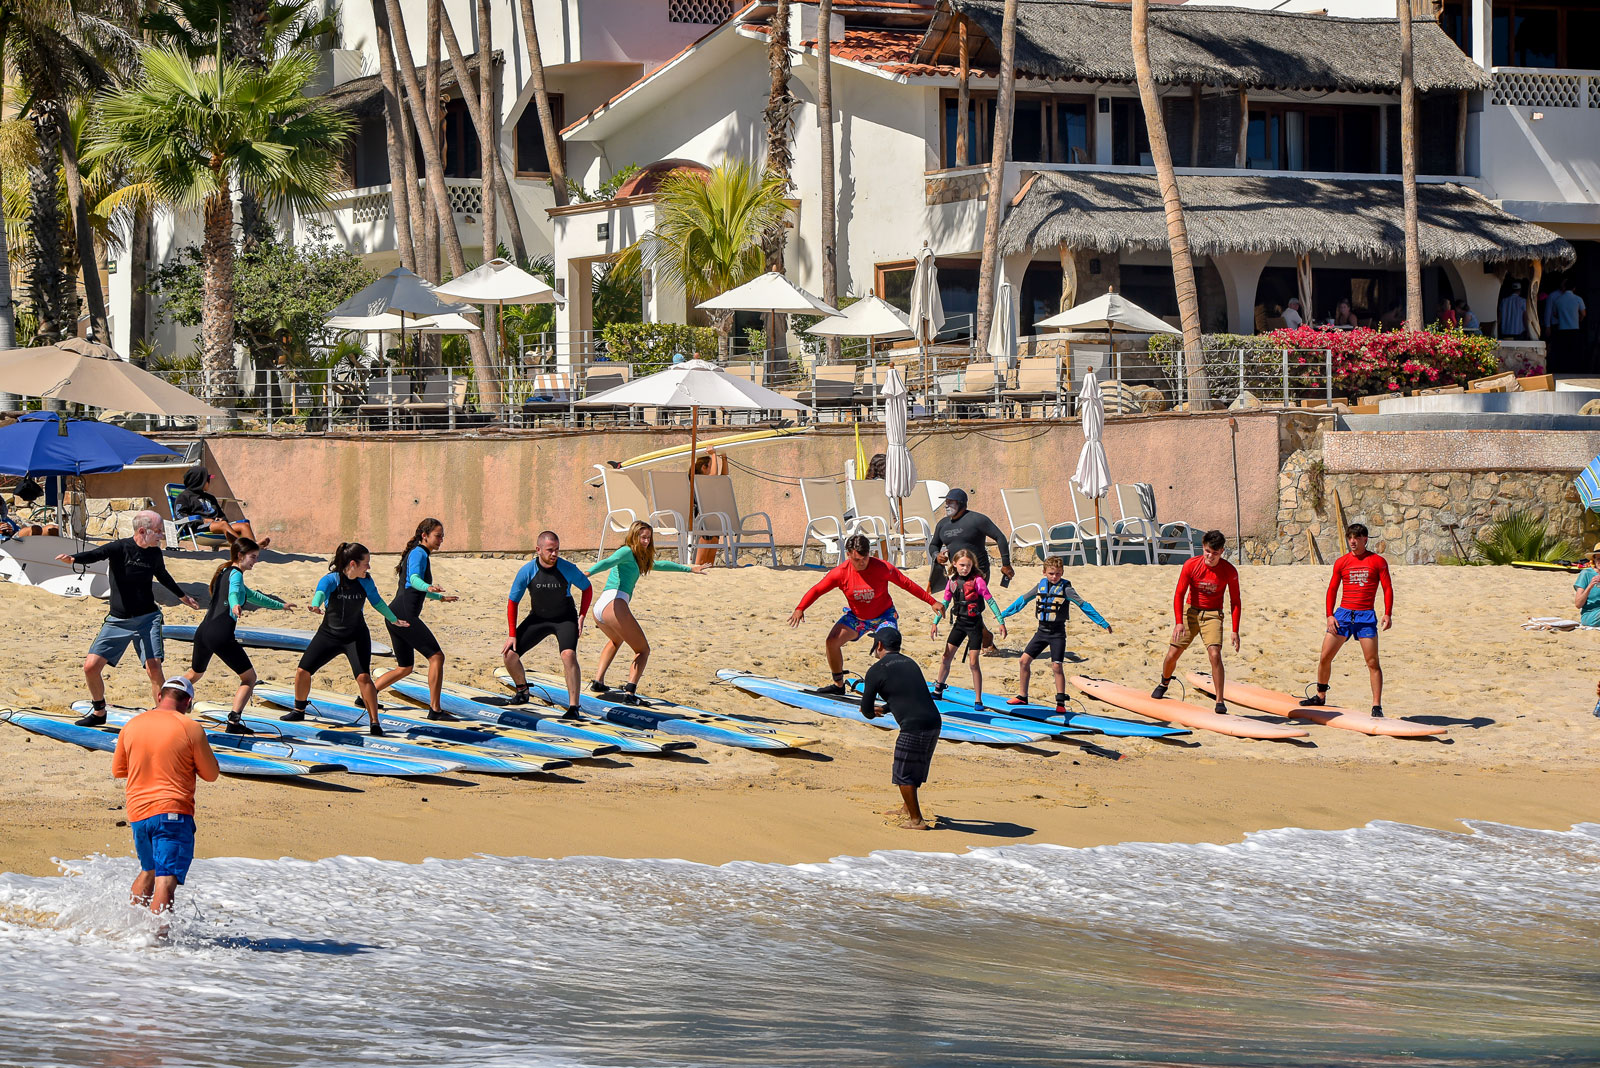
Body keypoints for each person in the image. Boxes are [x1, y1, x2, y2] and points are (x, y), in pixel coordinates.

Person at [59, 511, 200, 725]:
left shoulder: (154, 554)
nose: (161, 535)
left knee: (153, 667)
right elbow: (97, 553)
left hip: (148, 619)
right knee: (91, 667)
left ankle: (164, 718)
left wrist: (183, 596)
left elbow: (163, 575)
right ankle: (99, 712)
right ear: (142, 531)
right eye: (159, 531)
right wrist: (74, 559)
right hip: (118, 620)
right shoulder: (120, 548)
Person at [111, 677, 219, 930]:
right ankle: (156, 945)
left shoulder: (132, 725)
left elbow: (119, 770)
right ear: (188, 701)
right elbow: (211, 774)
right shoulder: (189, 726)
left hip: (138, 813)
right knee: (165, 882)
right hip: (172, 812)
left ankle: (132, 929)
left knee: (148, 871)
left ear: (159, 696)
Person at [789, 532, 942, 695]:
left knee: (885, 652)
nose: (862, 563)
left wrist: (931, 601)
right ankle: (838, 685)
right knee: (831, 642)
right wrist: (801, 608)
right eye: (857, 560)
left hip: (885, 616)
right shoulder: (840, 573)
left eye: (865, 558)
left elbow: (906, 584)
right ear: (848, 555)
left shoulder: (882, 568)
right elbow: (818, 589)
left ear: (870, 553)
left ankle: (895, 691)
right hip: (857, 618)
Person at [281, 542, 408, 735]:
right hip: (329, 634)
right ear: (352, 564)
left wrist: (394, 619)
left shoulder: (366, 581)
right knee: (302, 671)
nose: (369, 567)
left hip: (356, 636)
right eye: (366, 563)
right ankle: (298, 710)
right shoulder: (331, 579)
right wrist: (315, 605)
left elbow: (377, 602)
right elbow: (320, 593)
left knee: (364, 677)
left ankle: (375, 723)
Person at [586, 521, 709, 703]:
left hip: (601, 607)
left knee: (616, 640)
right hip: (614, 603)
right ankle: (630, 694)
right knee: (643, 650)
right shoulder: (627, 551)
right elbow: (608, 562)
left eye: (648, 538)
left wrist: (690, 568)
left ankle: (598, 681)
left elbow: (661, 565)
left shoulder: (638, 557)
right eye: (642, 537)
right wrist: (587, 573)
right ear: (634, 536)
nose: (646, 541)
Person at [185, 537, 295, 733]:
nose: (256, 561)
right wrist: (235, 604)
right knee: (249, 679)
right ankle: (233, 723)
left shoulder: (224, 571)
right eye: (253, 557)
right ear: (240, 556)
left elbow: (253, 596)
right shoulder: (235, 574)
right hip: (220, 635)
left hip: (203, 632)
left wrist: (281, 605)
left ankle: (166, 702)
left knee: (194, 674)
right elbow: (234, 592)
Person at [1301, 523, 1393, 717]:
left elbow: (1387, 588)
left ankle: (1377, 706)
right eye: (1350, 537)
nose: (1352, 541)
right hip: (1342, 615)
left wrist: (1387, 613)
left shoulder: (1377, 561)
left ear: (1365, 539)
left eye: (1357, 538)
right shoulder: (1342, 562)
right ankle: (1320, 695)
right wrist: (1329, 615)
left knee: (1372, 662)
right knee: (1325, 657)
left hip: (1365, 616)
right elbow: (1332, 589)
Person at [372, 518, 460, 719]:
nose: (441, 540)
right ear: (424, 536)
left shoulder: (418, 554)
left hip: (395, 614)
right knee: (436, 656)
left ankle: (368, 694)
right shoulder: (419, 553)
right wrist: (428, 586)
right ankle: (435, 710)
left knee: (405, 667)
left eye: (442, 536)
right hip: (404, 616)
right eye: (438, 536)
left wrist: (439, 597)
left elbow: (414, 587)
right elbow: (414, 581)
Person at [1000, 557, 1112, 713]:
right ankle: (1022, 696)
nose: (1054, 577)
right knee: (1023, 661)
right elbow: (1022, 601)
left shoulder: (1066, 589)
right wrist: (1004, 614)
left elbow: (1084, 605)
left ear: (1062, 573)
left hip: (1057, 633)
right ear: (1044, 572)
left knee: (1056, 666)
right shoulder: (1040, 586)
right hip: (1041, 632)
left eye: (1058, 574)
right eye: (1051, 573)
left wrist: (1102, 622)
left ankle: (1060, 702)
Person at [857, 627, 940, 831]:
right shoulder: (910, 663)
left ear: (879, 645)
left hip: (913, 726)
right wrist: (886, 708)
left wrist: (872, 712)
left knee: (903, 774)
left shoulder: (876, 670)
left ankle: (916, 820)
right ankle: (907, 807)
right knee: (916, 769)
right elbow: (908, 694)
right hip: (934, 721)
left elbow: (865, 709)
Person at [503, 530, 592, 717]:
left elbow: (587, 588)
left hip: (564, 619)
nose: (554, 554)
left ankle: (574, 707)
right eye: (550, 550)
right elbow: (513, 602)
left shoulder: (567, 568)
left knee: (568, 655)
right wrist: (512, 634)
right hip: (538, 618)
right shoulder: (527, 571)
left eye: (557, 550)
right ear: (538, 550)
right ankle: (522, 691)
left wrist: (582, 616)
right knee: (510, 655)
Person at [1152, 530, 1241, 714]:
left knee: (1215, 655)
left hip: (1213, 615)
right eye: (1208, 551)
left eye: (1215, 553)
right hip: (1190, 612)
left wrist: (1235, 630)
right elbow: (1179, 594)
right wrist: (1179, 622)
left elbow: (1236, 601)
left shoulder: (1229, 571)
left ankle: (1219, 701)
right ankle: (1164, 682)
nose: (1210, 556)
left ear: (1222, 551)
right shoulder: (1191, 565)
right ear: (1203, 548)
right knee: (1172, 654)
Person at [928, 488, 1014, 654]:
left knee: (970, 605)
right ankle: (986, 637)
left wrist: (1006, 564)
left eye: (950, 502)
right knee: (963, 607)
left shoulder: (977, 519)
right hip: (957, 572)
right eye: (946, 502)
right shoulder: (943, 524)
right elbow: (934, 545)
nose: (946, 505)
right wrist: (936, 555)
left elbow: (1000, 537)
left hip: (979, 571)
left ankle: (984, 639)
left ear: (961, 504)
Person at [930, 549, 1007, 709]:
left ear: (973, 566)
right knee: (946, 657)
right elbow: (944, 604)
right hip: (960, 623)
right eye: (962, 565)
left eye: (968, 565)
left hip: (974, 625)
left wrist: (1001, 621)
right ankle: (938, 690)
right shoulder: (952, 582)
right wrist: (935, 623)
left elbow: (991, 601)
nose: (965, 568)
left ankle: (978, 700)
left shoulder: (978, 581)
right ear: (955, 564)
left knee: (973, 663)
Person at [173, 464, 267, 547]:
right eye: (208, 479)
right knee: (223, 525)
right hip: (197, 527)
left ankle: (253, 546)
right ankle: (243, 547)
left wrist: (221, 519)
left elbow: (222, 516)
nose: (210, 481)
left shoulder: (210, 497)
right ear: (199, 481)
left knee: (244, 525)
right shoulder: (184, 497)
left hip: (217, 525)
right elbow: (179, 515)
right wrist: (203, 520)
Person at [1572, 544, 1600, 628]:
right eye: (1598, 559)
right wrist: (1590, 585)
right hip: (1590, 615)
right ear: (1594, 560)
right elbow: (1578, 604)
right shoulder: (1586, 574)